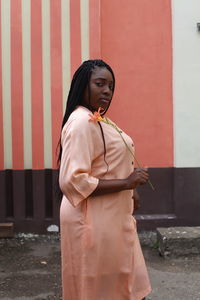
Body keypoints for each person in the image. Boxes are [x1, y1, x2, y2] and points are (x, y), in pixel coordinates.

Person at [58, 59, 151, 300]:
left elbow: (105, 164)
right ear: (83, 85)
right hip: (91, 219)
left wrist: (130, 191)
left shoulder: (96, 118)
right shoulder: (81, 123)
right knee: (97, 289)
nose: (107, 91)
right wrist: (127, 183)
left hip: (111, 216)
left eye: (111, 86)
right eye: (100, 84)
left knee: (124, 283)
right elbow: (73, 181)